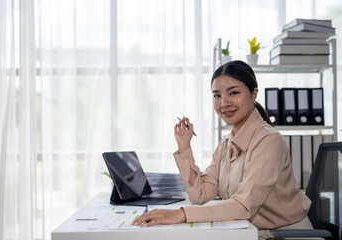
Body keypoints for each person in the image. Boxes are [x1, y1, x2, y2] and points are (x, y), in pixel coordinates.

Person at [132, 60, 313, 239]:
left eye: (233, 93)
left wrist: (179, 214)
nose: (223, 103)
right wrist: (184, 146)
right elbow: (200, 195)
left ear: (254, 94)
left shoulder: (269, 141)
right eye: (217, 95)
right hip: (250, 232)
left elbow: (243, 205)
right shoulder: (226, 144)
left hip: (284, 235)